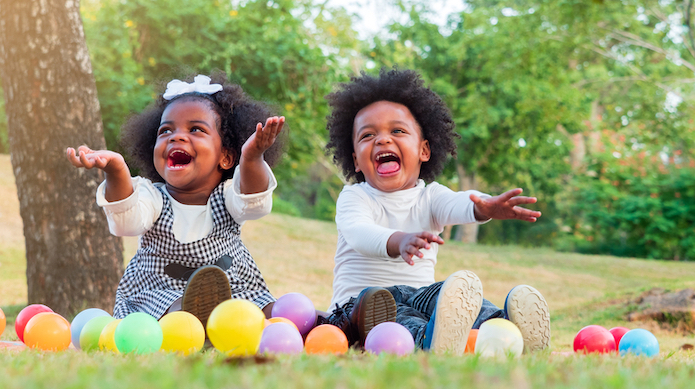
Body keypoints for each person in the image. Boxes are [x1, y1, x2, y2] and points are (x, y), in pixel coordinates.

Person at [320, 67, 551, 354]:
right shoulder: (354, 197)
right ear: (355, 160)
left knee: (447, 296)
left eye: (397, 131)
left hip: (417, 296)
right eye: (368, 136)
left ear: (424, 150)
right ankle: (430, 341)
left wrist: (486, 206)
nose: (382, 140)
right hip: (361, 307)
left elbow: (461, 201)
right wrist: (399, 240)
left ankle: (508, 330)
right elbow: (359, 233)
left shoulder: (431, 197)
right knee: (397, 318)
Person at [66, 72, 284, 325]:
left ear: (226, 156)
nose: (176, 136)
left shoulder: (228, 196)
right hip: (160, 295)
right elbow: (126, 222)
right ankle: (206, 323)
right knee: (183, 309)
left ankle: (321, 323)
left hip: (233, 289)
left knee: (275, 310)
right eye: (166, 130)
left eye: (196, 129)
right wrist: (116, 170)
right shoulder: (153, 197)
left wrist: (252, 158)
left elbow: (253, 203)